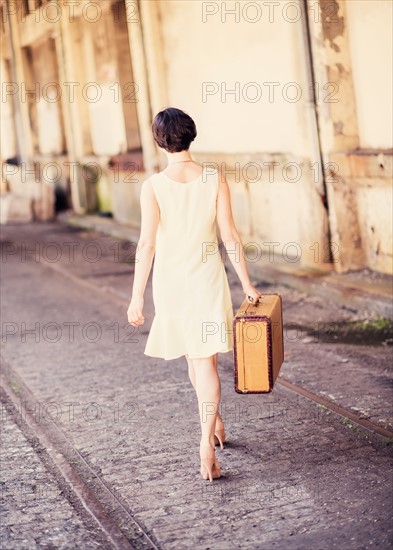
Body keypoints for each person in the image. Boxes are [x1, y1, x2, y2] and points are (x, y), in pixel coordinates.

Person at [127, 107, 261, 482]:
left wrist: (137, 297)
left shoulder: (152, 186)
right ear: (191, 135)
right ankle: (210, 427)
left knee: (195, 358)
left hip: (171, 283)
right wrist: (247, 284)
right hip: (207, 279)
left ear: (159, 140)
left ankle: (208, 431)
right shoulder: (215, 179)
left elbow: (146, 244)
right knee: (203, 360)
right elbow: (230, 237)